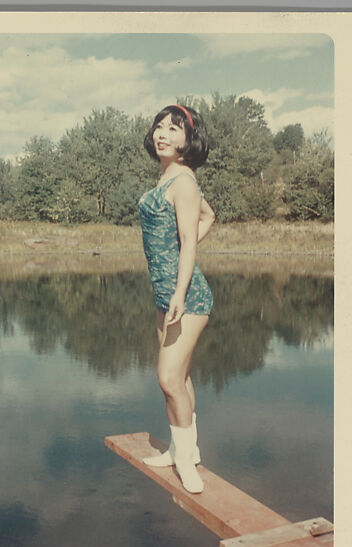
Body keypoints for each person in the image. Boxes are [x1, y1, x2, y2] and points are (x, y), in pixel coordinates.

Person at [138, 105, 215, 494]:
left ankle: (186, 462)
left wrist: (180, 292)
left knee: (168, 378)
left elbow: (188, 242)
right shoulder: (170, 177)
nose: (162, 133)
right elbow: (208, 216)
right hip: (165, 293)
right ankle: (185, 449)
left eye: (173, 128)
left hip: (186, 297)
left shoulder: (183, 181)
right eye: (159, 126)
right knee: (180, 377)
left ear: (189, 138)